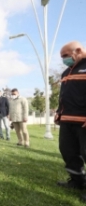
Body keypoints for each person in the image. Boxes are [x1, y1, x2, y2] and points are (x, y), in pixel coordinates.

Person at [54, 41, 86, 201]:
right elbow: (64, 95)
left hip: (83, 121)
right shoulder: (66, 72)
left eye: (66, 56)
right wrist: (59, 112)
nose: (64, 60)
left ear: (78, 50)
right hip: (67, 121)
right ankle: (77, 181)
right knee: (68, 152)